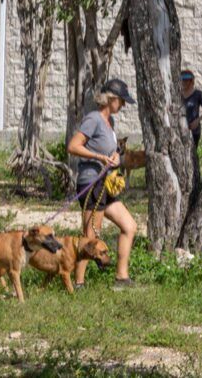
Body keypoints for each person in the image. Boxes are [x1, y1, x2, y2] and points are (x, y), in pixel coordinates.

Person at [67, 78, 138, 290]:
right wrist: (98, 157)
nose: (123, 105)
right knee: (90, 236)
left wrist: (116, 158)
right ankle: (78, 283)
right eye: (121, 101)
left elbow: (110, 152)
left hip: (105, 183)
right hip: (91, 182)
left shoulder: (111, 123)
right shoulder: (93, 119)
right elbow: (73, 146)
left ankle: (121, 278)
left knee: (129, 226)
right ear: (111, 99)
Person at [181, 70, 202, 153]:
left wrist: (197, 120)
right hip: (181, 129)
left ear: (191, 81)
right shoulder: (177, 95)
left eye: (186, 80)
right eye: (182, 80)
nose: (184, 82)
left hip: (194, 130)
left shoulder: (198, 94)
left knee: (192, 153)